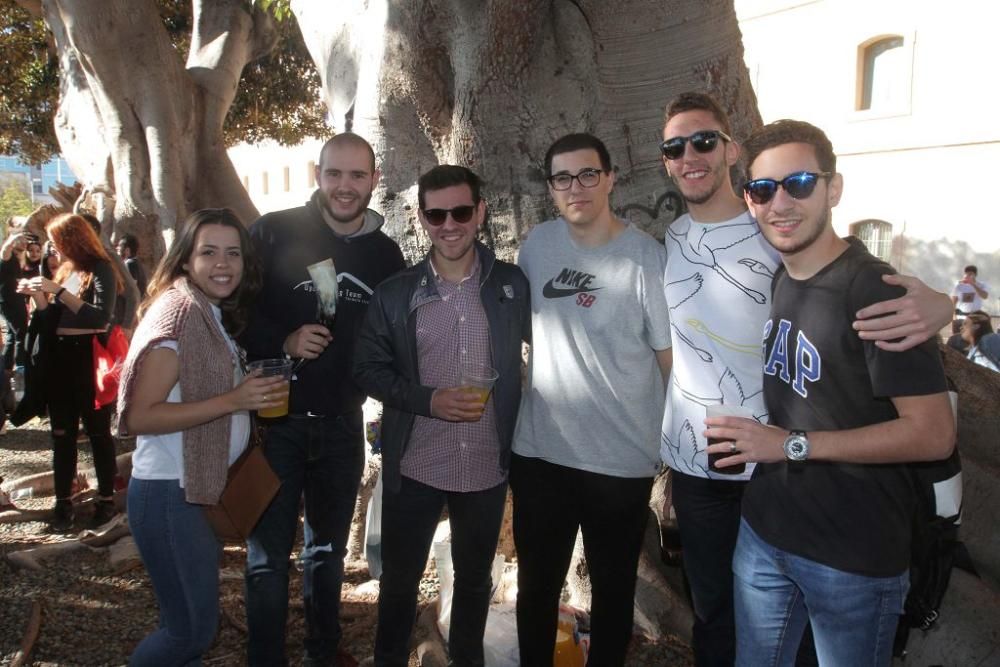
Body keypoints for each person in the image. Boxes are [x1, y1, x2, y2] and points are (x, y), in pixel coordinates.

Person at [657, 92, 954, 667]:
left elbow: (929, 426)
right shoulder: (680, 241)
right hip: (731, 491)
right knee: (719, 619)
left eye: (798, 184)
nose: (779, 202)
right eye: (675, 146)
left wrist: (937, 304)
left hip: (818, 507)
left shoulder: (794, 246)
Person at [354, 165, 531, 666]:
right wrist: (424, 399)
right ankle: (389, 658)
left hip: (484, 464)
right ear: (421, 219)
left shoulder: (511, 286)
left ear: (479, 212)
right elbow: (365, 367)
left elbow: (554, 349)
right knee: (400, 579)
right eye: (436, 214)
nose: (448, 224)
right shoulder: (395, 293)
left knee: (476, 579)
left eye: (460, 211)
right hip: (416, 463)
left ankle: (467, 660)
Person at [242, 132, 406, 666]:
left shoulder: (386, 255)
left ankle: (322, 651)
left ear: (374, 180)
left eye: (358, 175)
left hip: (341, 425)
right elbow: (232, 311)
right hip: (275, 422)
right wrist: (282, 341)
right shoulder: (273, 231)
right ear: (319, 174)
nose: (345, 186)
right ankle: (265, 658)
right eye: (335, 173)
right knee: (267, 559)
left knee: (327, 551)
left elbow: (394, 337)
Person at [511, 132, 672, 666]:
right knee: (536, 589)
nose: (575, 187)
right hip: (540, 454)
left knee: (613, 592)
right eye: (562, 178)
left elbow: (667, 359)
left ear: (609, 179)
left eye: (587, 175)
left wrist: (673, 448)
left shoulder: (645, 256)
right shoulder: (536, 247)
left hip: (620, 460)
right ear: (551, 188)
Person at [116, 208, 286, 666]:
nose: (223, 263)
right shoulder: (179, 316)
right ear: (186, 259)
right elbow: (140, 415)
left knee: (187, 628)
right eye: (208, 252)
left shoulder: (204, 309)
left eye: (233, 253)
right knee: (188, 633)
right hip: (170, 495)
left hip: (194, 491)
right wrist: (233, 400)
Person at [16, 213, 124, 531]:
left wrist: (58, 292)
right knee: (61, 434)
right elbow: (51, 320)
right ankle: (62, 501)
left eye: (59, 242)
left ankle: (106, 499)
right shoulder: (66, 271)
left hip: (88, 359)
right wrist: (38, 296)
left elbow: (100, 318)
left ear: (74, 239)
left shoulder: (100, 269)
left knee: (99, 433)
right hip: (59, 361)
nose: (55, 249)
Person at [951, 265, 989, 333]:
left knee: (974, 337)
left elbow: (984, 296)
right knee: (958, 337)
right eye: (966, 273)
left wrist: (973, 284)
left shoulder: (982, 285)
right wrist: (954, 316)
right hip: (960, 316)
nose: (968, 276)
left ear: (975, 275)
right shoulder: (959, 285)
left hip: (975, 317)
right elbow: (953, 301)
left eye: (971, 274)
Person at [117, 232, 149, 297]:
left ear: (127, 250)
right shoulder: (136, 262)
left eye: (120, 246)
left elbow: (130, 289)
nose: (117, 248)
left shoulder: (130, 264)